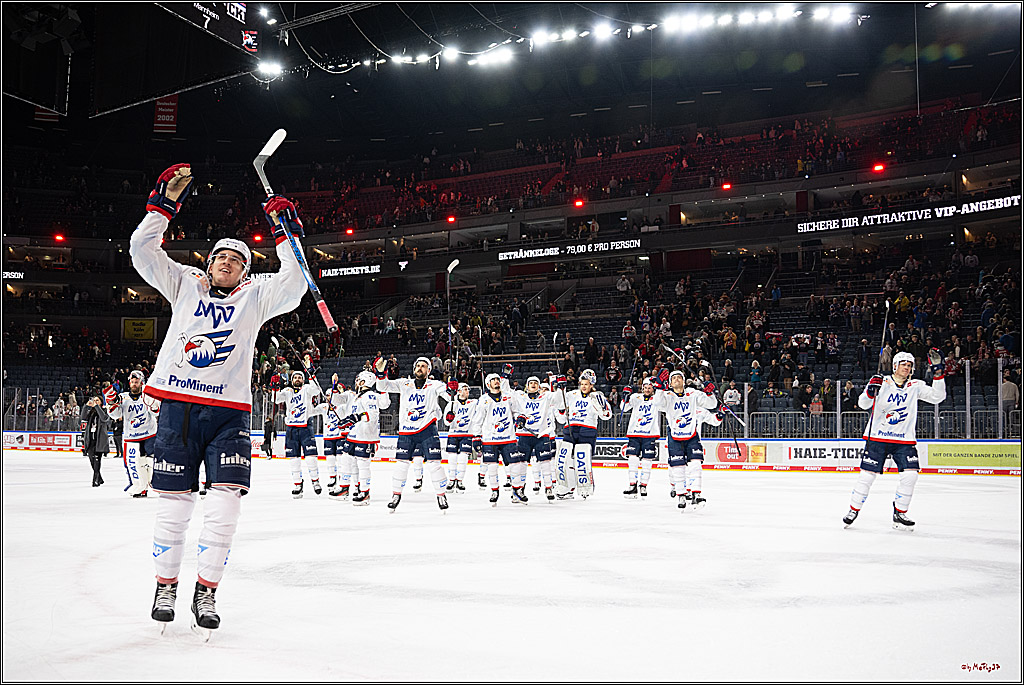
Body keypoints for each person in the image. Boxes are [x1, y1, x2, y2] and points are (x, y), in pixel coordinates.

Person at [131, 163, 306, 635]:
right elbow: (142, 252)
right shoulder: (185, 284)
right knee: (173, 505)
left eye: (237, 259)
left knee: (226, 507)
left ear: (247, 270)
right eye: (220, 256)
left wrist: (284, 231)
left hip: (229, 414)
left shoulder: (257, 296)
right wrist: (163, 205)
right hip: (177, 408)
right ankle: (165, 584)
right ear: (208, 263)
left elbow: (296, 284)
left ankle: (206, 590)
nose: (226, 261)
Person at [842, 349, 946, 530]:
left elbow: (938, 397)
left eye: (909, 365)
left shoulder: (916, 385)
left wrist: (938, 374)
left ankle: (900, 512)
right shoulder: (881, 382)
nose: (906, 368)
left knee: (910, 475)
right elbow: (862, 404)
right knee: (867, 476)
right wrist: (869, 391)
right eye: (903, 364)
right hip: (878, 437)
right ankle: (853, 509)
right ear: (895, 366)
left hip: (904, 439)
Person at [374, 355, 453, 513]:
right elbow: (383, 387)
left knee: (434, 465)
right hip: (406, 431)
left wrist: (452, 390)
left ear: (428, 370)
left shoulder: (434, 384)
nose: (420, 368)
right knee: (401, 465)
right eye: (418, 365)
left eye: (424, 366)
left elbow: (449, 396)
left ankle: (441, 494)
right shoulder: (405, 383)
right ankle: (396, 495)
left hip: (428, 429)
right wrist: (381, 373)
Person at [331, 370, 390, 505]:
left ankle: (364, 492)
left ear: (363, 382)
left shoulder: (370, 396)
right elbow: (335, 401)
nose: (356, 381)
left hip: (366, 436)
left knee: (363, 464)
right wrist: (334, 386)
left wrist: (354, 418)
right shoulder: (357, 396)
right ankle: (344, 487)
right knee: (346, 459)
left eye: (358, 379)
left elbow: (372, 414)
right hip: (354, 435)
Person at [662, 370, 718, 510]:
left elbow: (711, 405)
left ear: (684, 380)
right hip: (675, 435)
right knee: (678, 466)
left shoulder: (692, 393)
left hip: (692, 434)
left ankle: (696, 494)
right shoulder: (667, 395)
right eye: (673, 378)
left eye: (679, 377)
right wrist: (657, 387)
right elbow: (658, 403)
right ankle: (681, 493)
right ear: (670, 382)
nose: (676, 380)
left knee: (695, 465)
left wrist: (710, 393)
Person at [471, 366, 528, 505]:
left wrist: (520, 418)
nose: (496, 381)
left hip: (508, 438)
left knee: (515, 465)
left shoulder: (509, 396)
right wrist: (476, 437)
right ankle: (494, 490)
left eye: (497, 379)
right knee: (492, 466)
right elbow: (477, 420)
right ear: (488, 384)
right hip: (490, 439)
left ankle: (517, 490)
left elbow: (518, 411)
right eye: (493, 380)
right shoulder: (483, 399)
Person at [552, 368, 612, 500]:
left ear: (592, 384)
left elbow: (606, 415)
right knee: (564, 460)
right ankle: (566, 488)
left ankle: (585, 487)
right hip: (570, 430)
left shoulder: (597, 396)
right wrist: (560, 389)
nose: (584, 386)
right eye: (582, 383)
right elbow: (558, 405)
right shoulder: (572, 394)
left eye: (587, 384)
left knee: (582, 460)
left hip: (587, 431)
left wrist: (601, 406)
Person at [505, 373, 559, 502]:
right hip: (524, 435)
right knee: (521, 464)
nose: (533, 384)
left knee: (546, 463)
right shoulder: (520, 396)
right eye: (530, 383)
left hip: (542, 434)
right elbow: (506, 392)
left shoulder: (545, 396)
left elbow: (559, 399)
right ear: (527, 386)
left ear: (539, 386)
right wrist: (505, 377)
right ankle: (519, 490)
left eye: (536, 383)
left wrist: (560, 387)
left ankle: (548, 488)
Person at [108, 369, 160, 498]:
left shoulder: (148, 396)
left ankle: (152, 483)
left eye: (136, 382)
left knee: (151, 462)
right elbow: (116, 415)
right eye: (132, 382)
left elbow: (156, 412)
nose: (134, 384)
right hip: (131, 437)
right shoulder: (123, 397)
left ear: (142, 382)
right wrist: (111, 404)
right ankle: (140, 487)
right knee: (133, 464)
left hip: (149, 435)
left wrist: (152, 404)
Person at [277, 370, 324, 498]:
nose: (297, 379)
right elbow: (275, 399)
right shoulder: (288, 391)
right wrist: (275, 386)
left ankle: (315, 481)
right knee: (294, 459)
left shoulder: (307, 389)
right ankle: (298, 484)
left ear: (303, 380)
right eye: (295, 377)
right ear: (291, 380)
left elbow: (316, 391)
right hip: (291, 429)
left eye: (299, 377)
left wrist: (311, 374)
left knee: (310, 458)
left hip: (305, 427)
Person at [620, 377, 666, 499]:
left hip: (649, 434)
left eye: (649, 388)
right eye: (645, 387)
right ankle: (632, 485)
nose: (647, 390)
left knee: (647, 461)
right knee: (632, 460)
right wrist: (625, 396)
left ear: (653, 388)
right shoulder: (635, 397)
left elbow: (663, 406)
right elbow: (623, 407)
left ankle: (643, 485)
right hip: (634, 433)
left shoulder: (657, 399)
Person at [319, 374, 356, 497]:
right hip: (328, 436)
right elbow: (313, 410)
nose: (328, 397)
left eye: (330, 395)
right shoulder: (324, 406)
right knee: (329, 459)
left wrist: (339, 390)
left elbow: (347, 406)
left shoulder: (342, 406)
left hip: (340, 435)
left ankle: (343, 480)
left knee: (342, 459)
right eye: (327, 395)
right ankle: (332, 478)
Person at [441, 382, 477, 493]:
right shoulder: (452, 403)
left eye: (468, 389)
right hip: (453, 433)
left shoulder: (473, 403)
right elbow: (446, 423)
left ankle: (460, 481)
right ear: (459, 391)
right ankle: (451, 480)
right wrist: (448, 419)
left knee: (463, 458)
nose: (468, 391)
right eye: (465, 389)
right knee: (452, 458)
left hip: (467, 434)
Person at [80, 390, 111, 487]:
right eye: (95, 400)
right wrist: (86, 406)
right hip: (90, 439)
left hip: (100, 439)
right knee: (91, 460)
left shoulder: (105, 410)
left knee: (97, 459)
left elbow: (104, 418)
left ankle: (95, 480)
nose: (95, 402)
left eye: (98, 400)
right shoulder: (91, 412)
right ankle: (99, 477)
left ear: (101, 402)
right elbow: (83, 418)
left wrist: (97, 407)